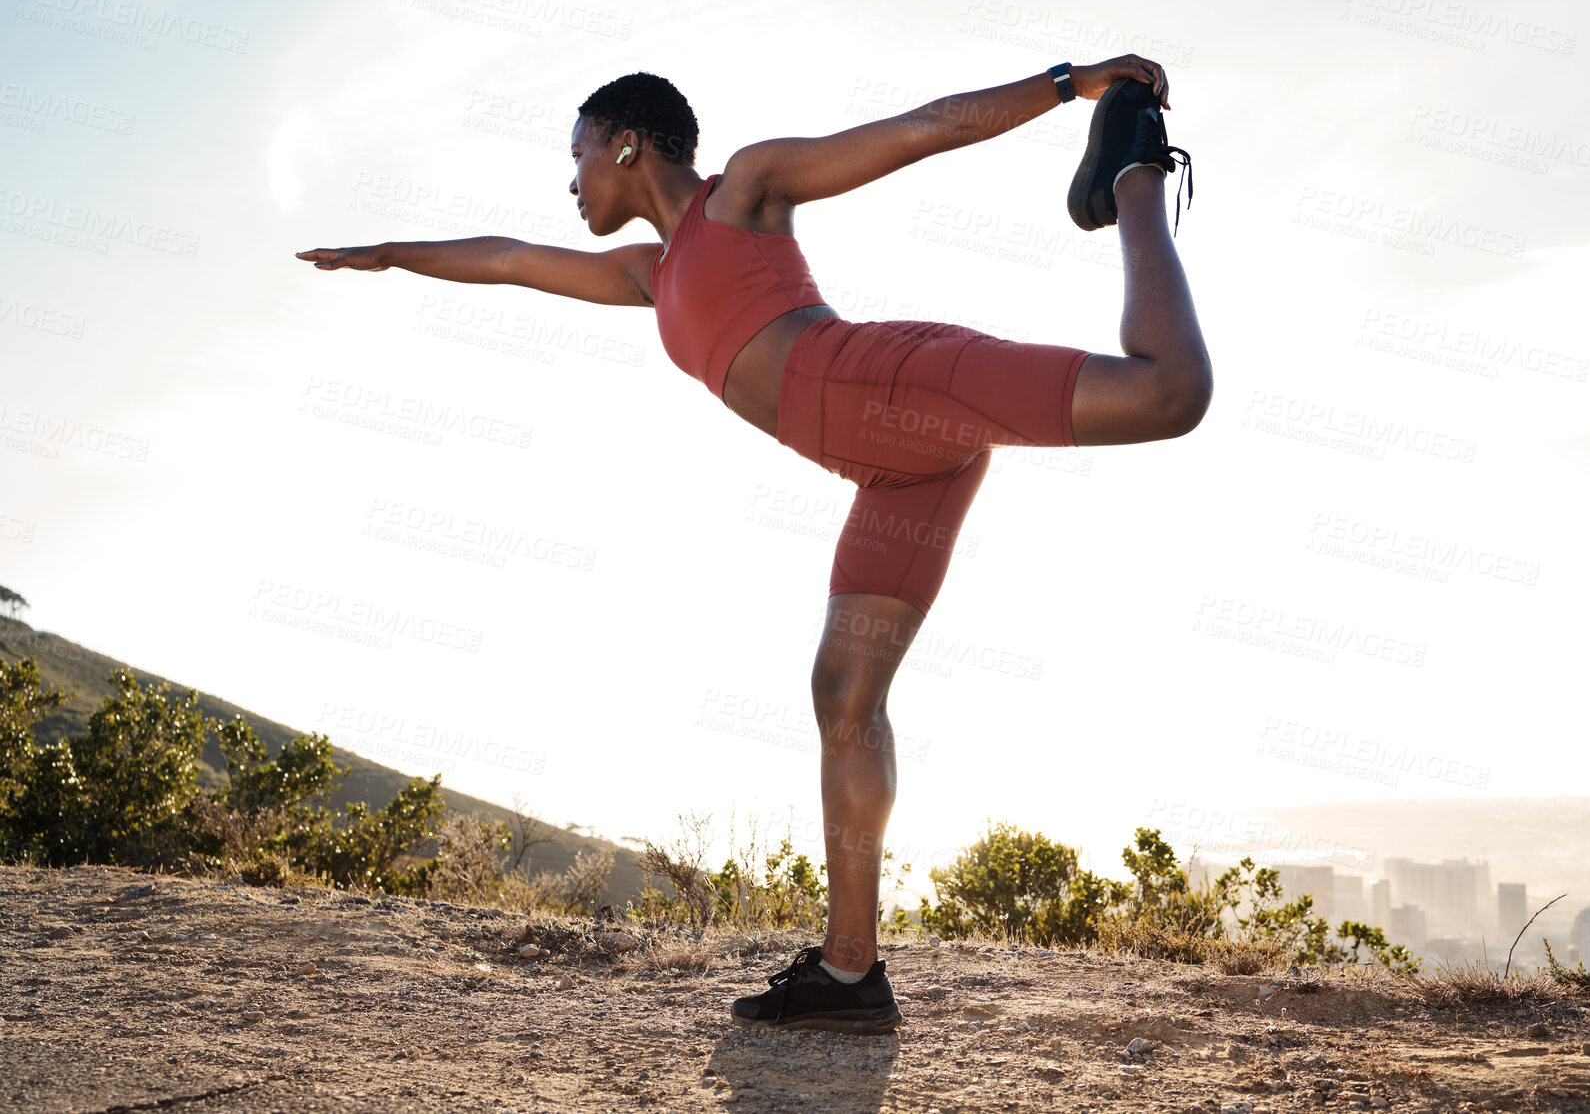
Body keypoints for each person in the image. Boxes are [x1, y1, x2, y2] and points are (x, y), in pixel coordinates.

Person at [296, 55, 1208, 1035]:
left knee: (1167, 392)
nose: (570, 183)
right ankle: (850, 974)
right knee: (842, 695)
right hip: (895, 470)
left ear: (626, 143)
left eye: (578, 157)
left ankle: (1132, 169)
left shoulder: (745, 188)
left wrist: (1073, 85)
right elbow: (512, 259)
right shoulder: (649, 273)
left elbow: (924, 125)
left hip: (892, 385)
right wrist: (392, 252)